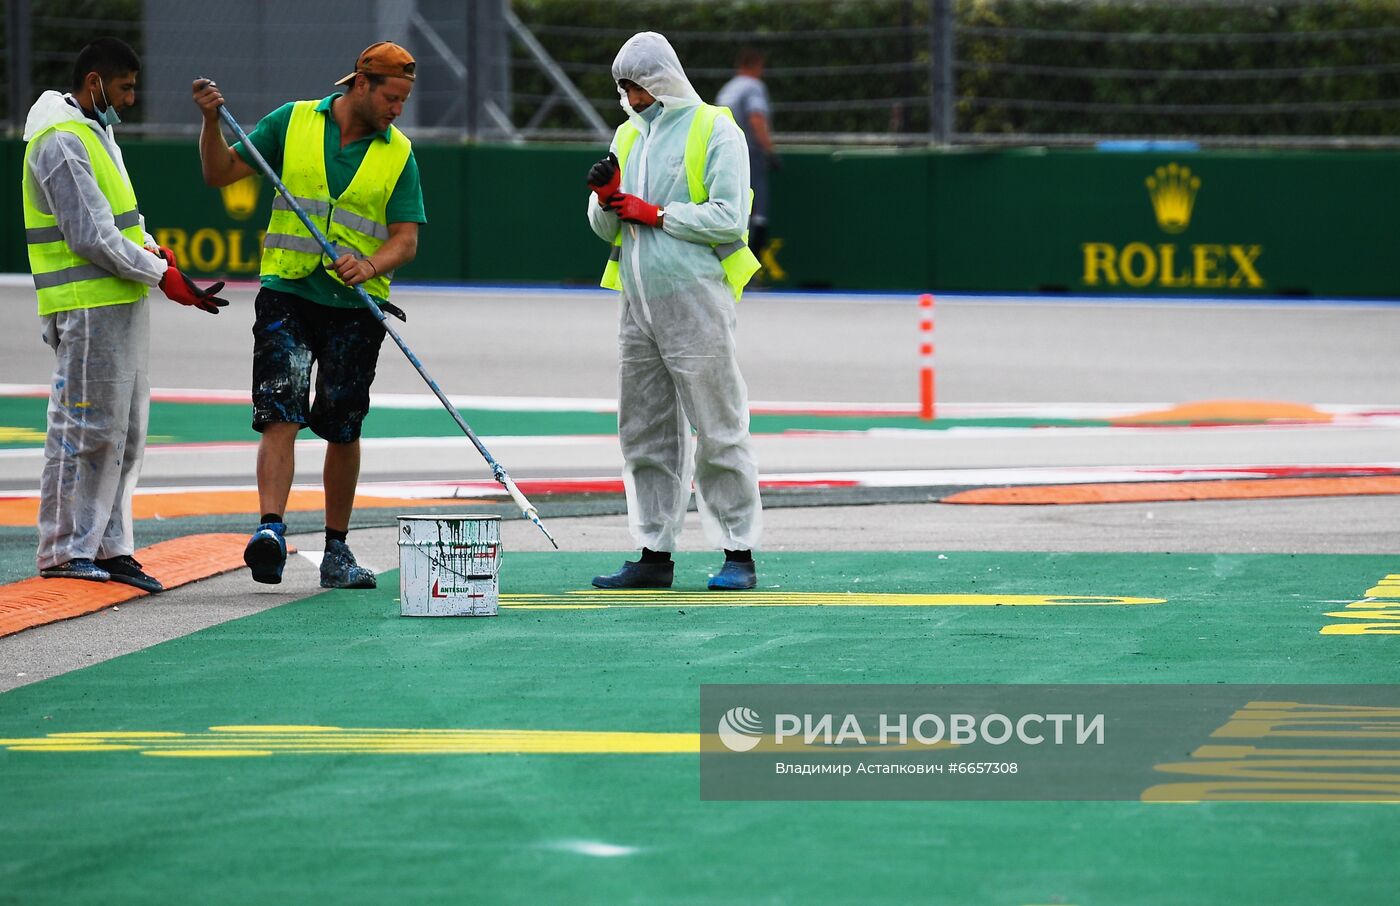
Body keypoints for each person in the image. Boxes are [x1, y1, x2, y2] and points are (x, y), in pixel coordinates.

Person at [192, 42, 425, 589]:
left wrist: (370, 265)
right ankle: (269, 530)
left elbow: (406, 241)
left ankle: (336, 551)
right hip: (287, 293)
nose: (398, 109)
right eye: (392, 97)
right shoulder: (291, 122)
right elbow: (220, 172)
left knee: (342, 428)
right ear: (360, 84)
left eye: (405, 100)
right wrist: (209, 122)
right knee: (281, 409)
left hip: (356, 308)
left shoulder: (399, 153)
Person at [22, 37, 228, 591]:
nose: (131, 99)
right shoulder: (60, 142)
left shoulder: (95, 132)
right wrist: (163, 275)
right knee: (83, 430)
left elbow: (124, 223)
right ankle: (65, 549)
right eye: (125, 87)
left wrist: (161, 259)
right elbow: (91, 236)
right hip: (87, 308)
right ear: (95, 83)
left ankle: (108, 546)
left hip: (118, 304)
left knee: (125, 434)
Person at [584, 32, 763, 591]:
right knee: (642, 429)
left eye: (637, 86)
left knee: (719, 424)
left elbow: (730, 218)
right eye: (624, 89)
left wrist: (656, 214)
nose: (631, 98)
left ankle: (739, 551)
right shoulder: (625, 135)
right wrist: (606, 200)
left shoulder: (717, 128)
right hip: (637, 304)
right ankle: (653, 552)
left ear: (662, 79)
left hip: (695, 300)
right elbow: (604, 227)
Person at [715, 47, 778, 258]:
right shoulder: (753, 87)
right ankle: (751, 272)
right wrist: (770, 151)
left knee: (728, 207)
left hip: (722, 154)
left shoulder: (727, 89)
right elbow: (756, 119)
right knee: (757, 210)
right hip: (750, 154)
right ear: (758, 66)